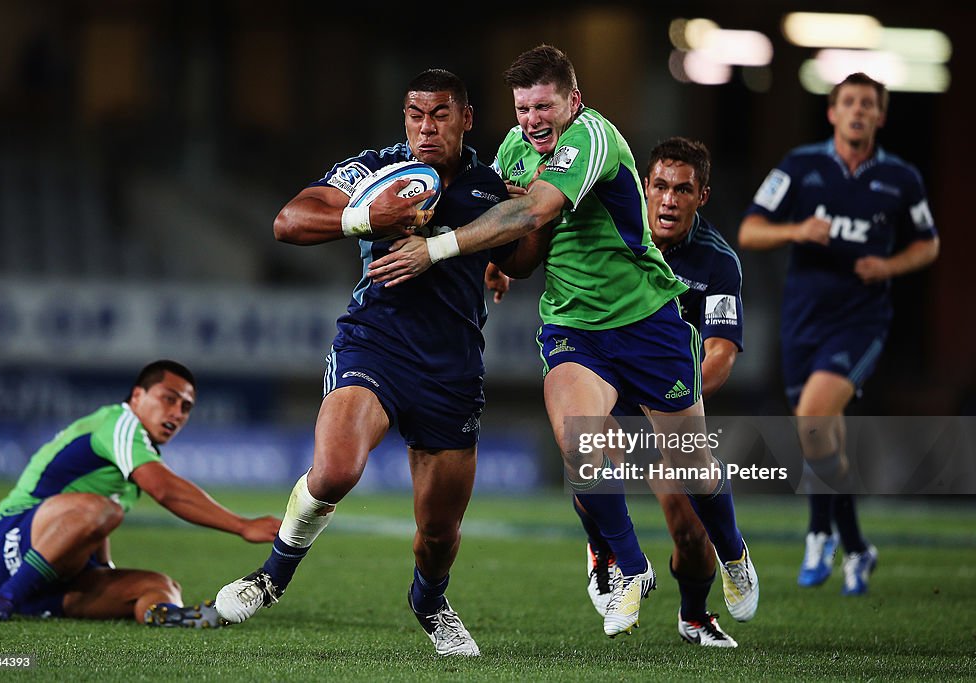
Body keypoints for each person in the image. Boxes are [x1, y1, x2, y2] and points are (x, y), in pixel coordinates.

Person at [368, 45, 759, 639]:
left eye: (543, 106)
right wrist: (498, 264)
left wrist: (439, 249)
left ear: (572, 102)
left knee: (691, 465)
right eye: (522, 108)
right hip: (573, 325)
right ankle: (629, 568)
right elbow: (508, 221)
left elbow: (530, 214)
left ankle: (733, 554)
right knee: (580, 446)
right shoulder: (514, 148)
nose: (531, 120)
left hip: (646, 319)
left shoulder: (592, 138)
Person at [213, 69, 524, 657]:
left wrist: (498, 251)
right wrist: (366, 219)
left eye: (439, 114)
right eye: (414, 114)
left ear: (467, 118)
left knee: (438, 533)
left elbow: (526, 251)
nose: (425, 128)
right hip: (374, 343)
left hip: (452, 367)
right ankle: (270, 577)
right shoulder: (376, 170)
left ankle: (430, 602)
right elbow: (289, 220)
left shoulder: (492, 184)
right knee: (335, 470)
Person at [738, 72, 939, 595]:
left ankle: (818, 531)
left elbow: (929, 244)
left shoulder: (900, 178)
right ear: (832, 112)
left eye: (868, 104)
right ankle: (858, 547)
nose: (857, 110)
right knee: (826, 438)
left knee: (811, 418)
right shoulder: (801, 167)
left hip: (861, 322)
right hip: (802, 323)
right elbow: (750, 230)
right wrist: (796, 230)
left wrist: (891, 266)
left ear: (880, 116)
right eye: (848, 101)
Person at [0, 359, 281, 626]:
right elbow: (163, 490)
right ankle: (5, 597)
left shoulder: (133, 450)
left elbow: (90, 525)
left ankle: (170, 618)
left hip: (58, 573)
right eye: (168, 399)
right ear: (137, 395)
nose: (177, 413)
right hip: (11, 540)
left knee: (160, 586)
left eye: (186, 407)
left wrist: (105, 574)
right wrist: (242, 525)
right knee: (103, 510)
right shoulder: (120, 423)